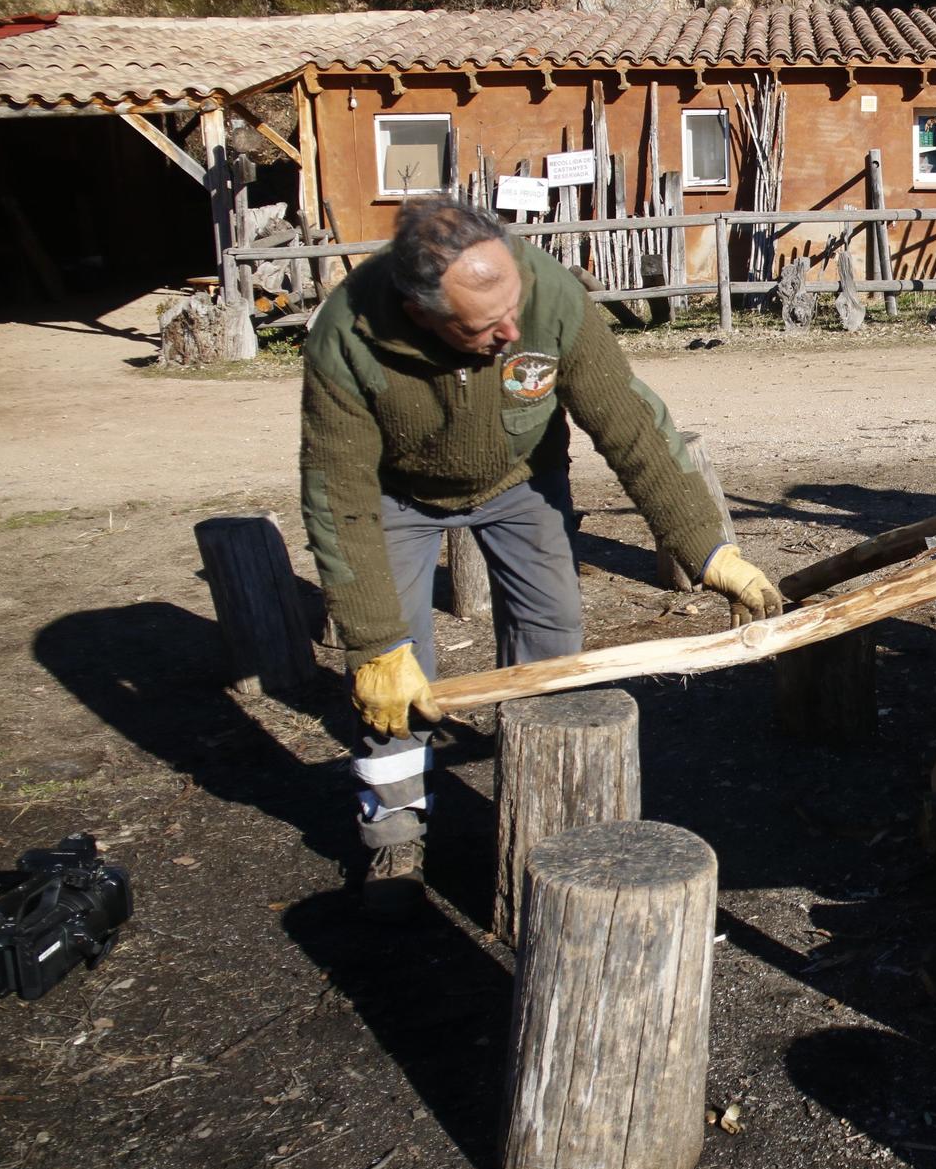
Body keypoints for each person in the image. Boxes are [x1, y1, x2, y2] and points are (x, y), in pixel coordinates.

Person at [300, 196, 783, 914]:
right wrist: (373, 640)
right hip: (394, 495)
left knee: (554, 645)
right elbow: (338, 496)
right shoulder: (348, 335)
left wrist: (707, 546)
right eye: (483, 326)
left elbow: (631, 423)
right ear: (421, 312)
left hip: (521, 481)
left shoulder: (550, 295)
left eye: (514, 305)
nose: (513, 331)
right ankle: (395, 829)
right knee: (395, 681)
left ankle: (549, 816)